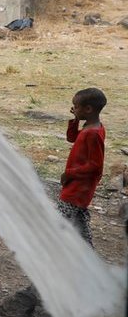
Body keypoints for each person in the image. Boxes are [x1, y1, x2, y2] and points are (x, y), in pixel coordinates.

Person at [58, 87, 107, 247]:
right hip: (79, 188)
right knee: (80, 226)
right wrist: (76, 119)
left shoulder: (93, 133)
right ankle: (88, 258)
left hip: (77, 188)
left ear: (88, 109)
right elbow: (71, 138)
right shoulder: (91, 127)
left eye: (76, 106)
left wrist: (69, 174)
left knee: (59, 225)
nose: (73, 109)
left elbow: (95, 166)